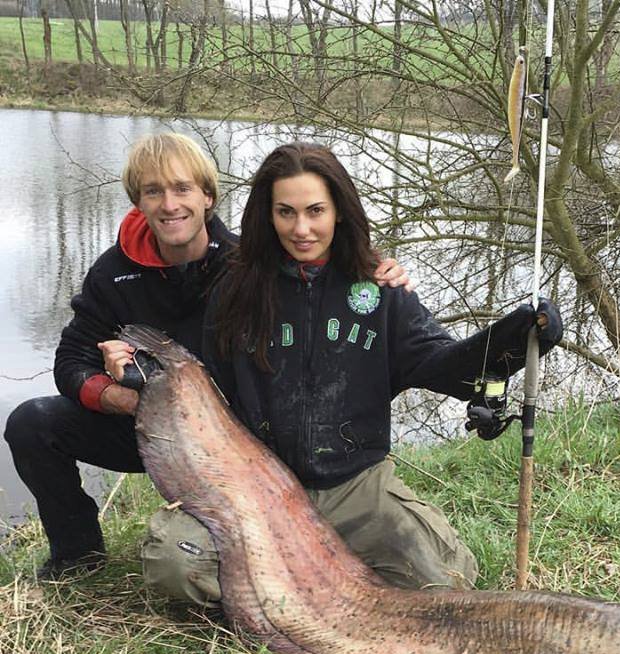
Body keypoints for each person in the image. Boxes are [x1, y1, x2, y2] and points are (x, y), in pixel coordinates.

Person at [139, 141, 562, 600]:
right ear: (268, 215)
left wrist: (516, 338)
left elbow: (447, 369)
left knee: (445, 581)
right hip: (256, 488)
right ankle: (300, 594)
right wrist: (136, 373)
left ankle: (288, 583)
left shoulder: (380, 289)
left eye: (315, 210)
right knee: (172, 566)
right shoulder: (234, 289)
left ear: (339, 210)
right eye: (285, 213)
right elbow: (207, 390)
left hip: (354, 485)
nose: (301, 228)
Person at [4, 133, 410, 580]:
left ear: (208, 197)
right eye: (153, 191)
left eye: (182, 189)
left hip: (233, 440)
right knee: (32, 423)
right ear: (137, 201)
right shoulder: (111, 273)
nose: (169, 204)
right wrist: (117, 394)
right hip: (147, 426)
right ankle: (78, 556)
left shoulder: (246, 263)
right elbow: (70, 362)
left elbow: (318, 275)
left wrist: (371, 270)